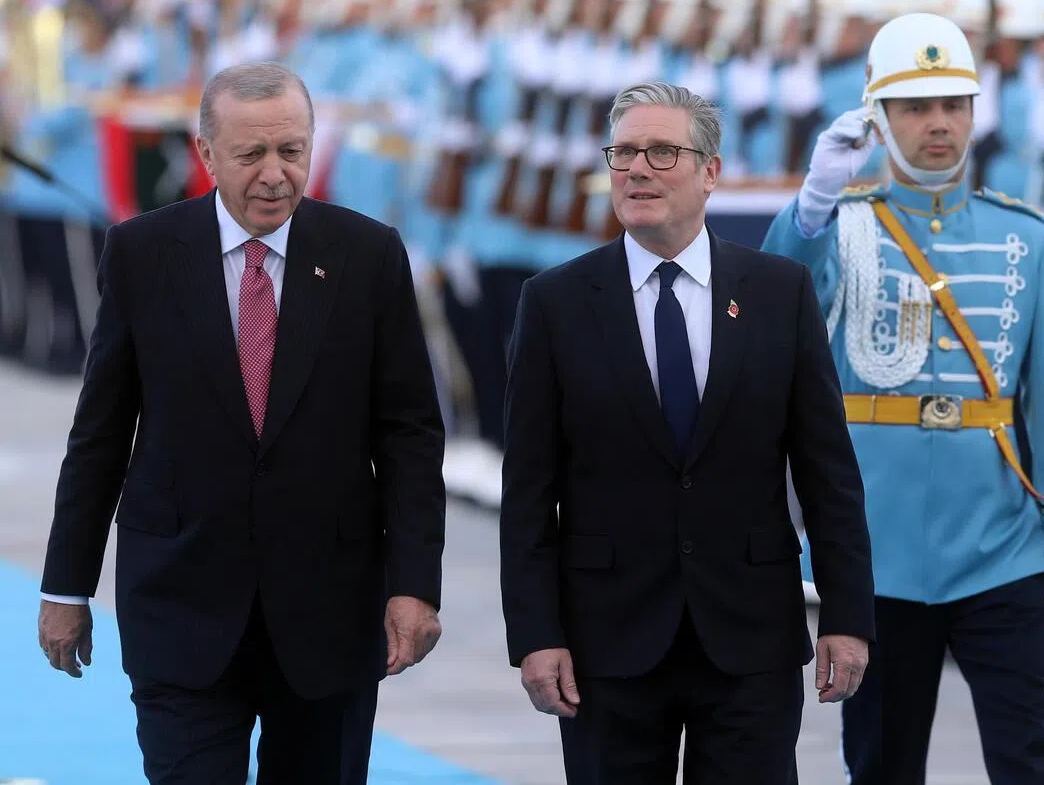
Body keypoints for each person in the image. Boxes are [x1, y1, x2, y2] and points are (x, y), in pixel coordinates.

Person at [38, 61, 446, 785]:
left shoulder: (368, 256)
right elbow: (101, 432)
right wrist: (67, 586)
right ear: (205, 154)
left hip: (328, 616)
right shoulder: (143, 254)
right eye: (251, 153)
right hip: (181, 607)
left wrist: (415, 584)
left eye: (292, 150)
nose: (275, 174)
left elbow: (409, 434)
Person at [499, 80, 875, 784]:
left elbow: (829, 475)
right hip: (606, 644)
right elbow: (526, 492)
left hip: (748, 638)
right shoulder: (554, 303)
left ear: (711, 172)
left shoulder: (778, 292)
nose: (637, 168)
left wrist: (848, 616)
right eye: (625, 152)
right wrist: (535, 636)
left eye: (662, 152)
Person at [763, 13, 1044, 784]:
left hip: (1002, 545)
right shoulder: (844, 228)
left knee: (1026, 760)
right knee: (882, 763)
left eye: (954, 104)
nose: (939, 124)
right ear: (879, 118)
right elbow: (769, 307)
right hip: (877, 553)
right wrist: (813, 204)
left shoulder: (1024, 237)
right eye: (915, 107)